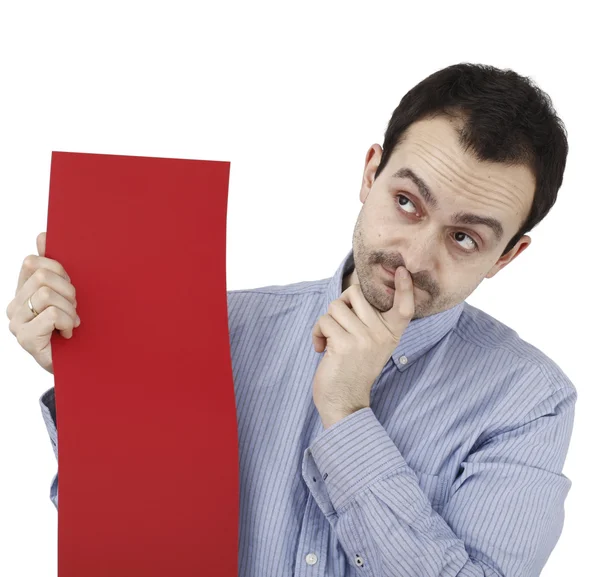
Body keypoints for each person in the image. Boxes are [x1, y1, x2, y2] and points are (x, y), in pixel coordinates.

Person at [6, 63, 576, 577]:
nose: (416, 257)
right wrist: (97, 377)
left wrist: (349, 415)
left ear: (506, 256)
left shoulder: (529, 401)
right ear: (370, 174)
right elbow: (129, 543)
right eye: (407, 201)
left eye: (463, 237)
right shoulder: (222, 326)